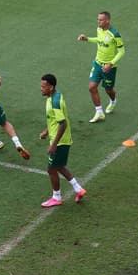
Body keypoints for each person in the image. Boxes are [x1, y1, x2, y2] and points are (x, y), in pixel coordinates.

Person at [39, 74, 87, 207]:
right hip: (60, 140)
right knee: (59, 166)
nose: (41, 89)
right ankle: (79, 189)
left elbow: (63, 123)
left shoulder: (55, 102)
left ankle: (57, 197)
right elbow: (54, 119)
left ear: (51, 87)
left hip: (60, 142)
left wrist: (54, 145)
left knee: (51, 169)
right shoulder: (54, 96)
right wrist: (46, 131)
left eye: (43, 86)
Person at [77, 11, 125, 123]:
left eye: (101, 20)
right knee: (92, 87)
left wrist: (111, 63)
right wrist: (87, 39)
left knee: (108, 90)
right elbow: (99, 40)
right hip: (98, 64)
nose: (98, 21)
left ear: (107, 20)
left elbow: (122, 51)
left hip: (109, 68)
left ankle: (113, 101)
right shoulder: (99, 29)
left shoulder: (115, 34)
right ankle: (99, 112)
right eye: (98, 19)